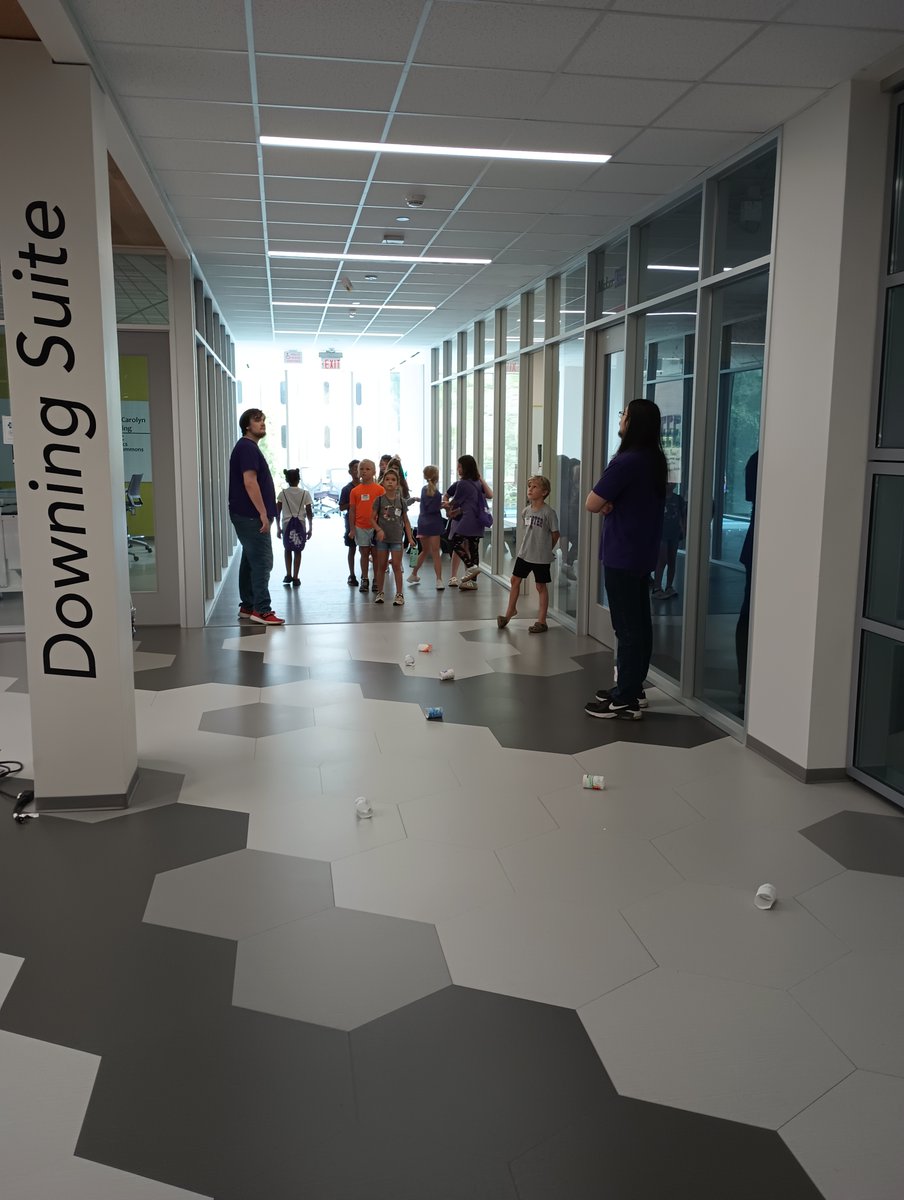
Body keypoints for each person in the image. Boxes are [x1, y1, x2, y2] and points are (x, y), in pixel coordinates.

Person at [583, 397, 668, 719]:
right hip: (640, 551)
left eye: (624, 415)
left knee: (628, 628)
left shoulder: (627, 461)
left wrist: (606, 502)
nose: (620, 419)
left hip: (623, 552)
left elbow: (592, 502)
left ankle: (625, 698)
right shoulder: (653, 459)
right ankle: (633, 688)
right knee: (639, 624)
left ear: (633, 424)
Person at [228, 409, 284, 625]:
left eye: (264, 420)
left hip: (246, 515)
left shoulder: (247, 447)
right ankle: (262, 610)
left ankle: (248, 605)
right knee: (262, 561)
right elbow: (250, 482)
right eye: (257, 420)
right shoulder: (247, 448)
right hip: (251, 515)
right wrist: (262, 513)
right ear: (247, 425)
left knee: (250, 560)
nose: (262, 424)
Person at [497, 476, 559, 633]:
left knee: (540, 586)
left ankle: (542, 620)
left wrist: (547, 549)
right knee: (514, 580)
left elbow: (555, 534)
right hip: (524, 553)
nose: (530, 489)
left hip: (540, 557)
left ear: (544, 492)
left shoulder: (549, 513)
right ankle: (510, 612)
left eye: (535, 487)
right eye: (529, 486)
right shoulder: (526, 511)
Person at [444, 454, 491, 590]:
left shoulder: (463, 484)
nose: (458, 469)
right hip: (478, 521)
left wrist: (445, 505)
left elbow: (455, 501)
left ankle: (471, 567)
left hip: (467, 520)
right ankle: (472, 582)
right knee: (473, 548)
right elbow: (489, 495)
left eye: (459, 467)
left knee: (454, 542)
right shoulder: (477, 483)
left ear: (465, 468)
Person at [371, 468, 415, 606]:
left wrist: (410, 537)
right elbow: (371, 519)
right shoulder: (379, 500)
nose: (390, 482)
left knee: (396, 566)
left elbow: (405, 521)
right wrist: (378, 529)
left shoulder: (401, 501)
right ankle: (380, 592)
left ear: (397, 484)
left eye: (393, 480)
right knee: (381, 566)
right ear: (383, 482)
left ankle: (399, 594)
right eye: (387, 479)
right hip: (383, 540)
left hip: (397, 539)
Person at [347, 458, 383, 593]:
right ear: (357, 472)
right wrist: (352, 529)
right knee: (363, 553)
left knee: (376, 554)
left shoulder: (380, 490)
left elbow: (383, 509)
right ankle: (365, 579)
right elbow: (352, 510)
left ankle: (376, 580)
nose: (364, 471)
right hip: (360, 526)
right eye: (361, 469)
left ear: (374, 472)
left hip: (375, 527)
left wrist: (381, 528)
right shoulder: (355, 491)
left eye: (368, 469)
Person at [408, 465, 445, 589]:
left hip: (423, 523)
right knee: (435, 553)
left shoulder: (424, 489)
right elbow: (433, 508)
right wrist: (444, 506)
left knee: (424, 551)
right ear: (437, 477)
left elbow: (427, 505)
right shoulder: (438, 493)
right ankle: (439, 580)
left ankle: (413, 574)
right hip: (434, 524)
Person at [275, 468, 313, 587]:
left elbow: (277, 512)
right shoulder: (305, 493)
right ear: (299, 479)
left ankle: (288, 574)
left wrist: (278, 528)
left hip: (286, 524)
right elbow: (309, 512)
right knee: (298, 549)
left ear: (286, 480)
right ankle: (296, 577)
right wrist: (310, 528)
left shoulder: (282, 494)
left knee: (287, 548)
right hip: (300, 524)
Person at [652, 482, 686, 599]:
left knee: (672, 560)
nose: (670, 484)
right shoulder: (657, 498)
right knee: (662, 560)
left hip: (674, 533)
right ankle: (657, 587)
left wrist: (683, 529)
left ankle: (669, 586)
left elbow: (682, 516)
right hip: (661, 534)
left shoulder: (678, 499)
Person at [338, 459, 360, 586]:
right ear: (350, 472)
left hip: (365, 522)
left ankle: (364, 575)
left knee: (366, 549)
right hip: (351, 522)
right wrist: (353, 504)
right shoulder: (347, 489)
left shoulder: (368, 486)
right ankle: (352, 574)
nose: (358, 471)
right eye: (355, 468)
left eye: (360, 468)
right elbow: (341, 507)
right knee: (352, 548)